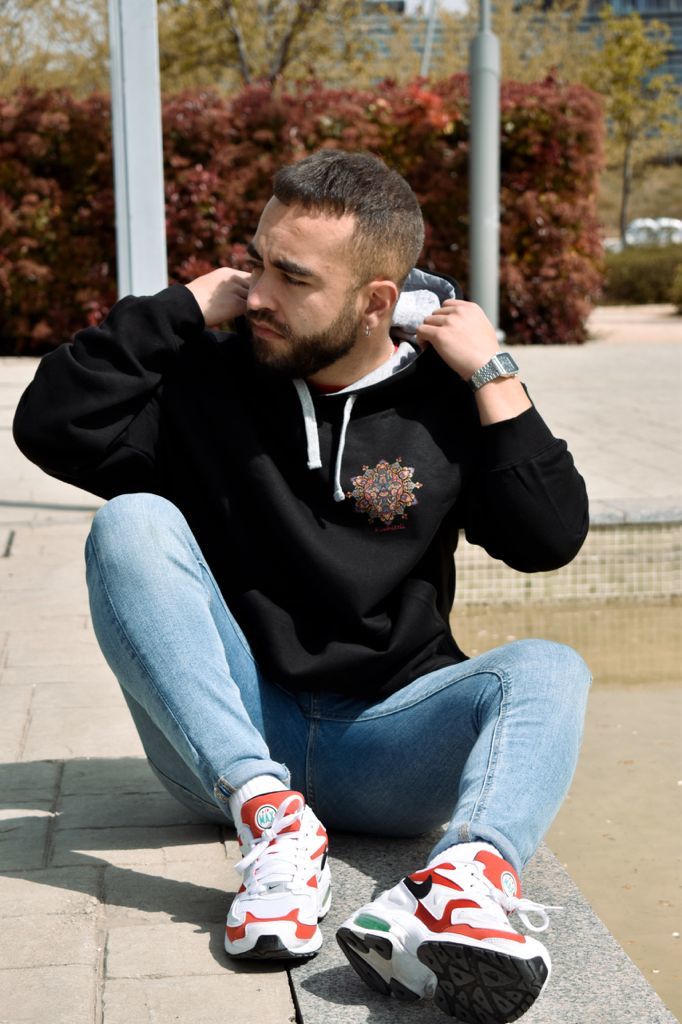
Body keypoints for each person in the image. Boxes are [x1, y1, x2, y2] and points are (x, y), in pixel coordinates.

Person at [13, 149, 591, 1024]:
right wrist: (181, 307)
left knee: (549, 668)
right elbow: (49, 425)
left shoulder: (443, 401)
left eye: (293, 277)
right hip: (231, 744)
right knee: (130, 523)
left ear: (377, 302)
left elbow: (548, 539)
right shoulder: (209, 375)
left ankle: (462, 888)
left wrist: (493, 372)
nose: (258, 293)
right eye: (256, 262)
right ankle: (276, 825)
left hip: (392, 745)